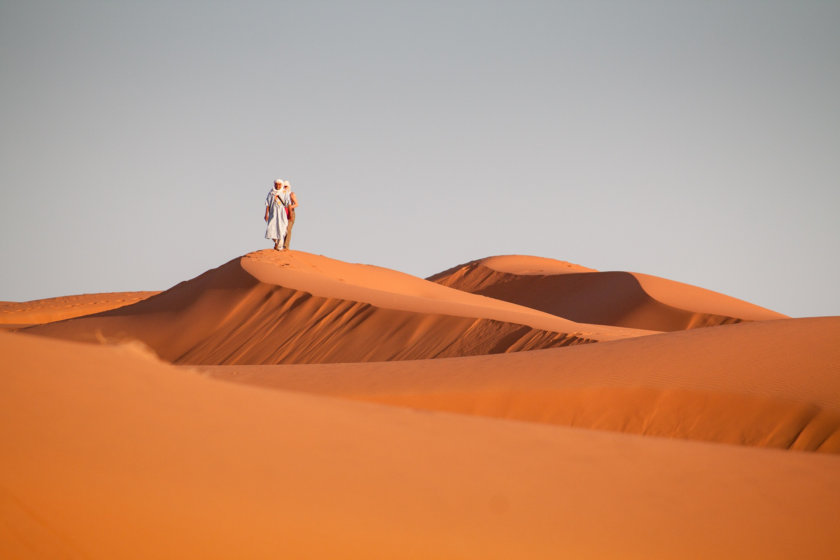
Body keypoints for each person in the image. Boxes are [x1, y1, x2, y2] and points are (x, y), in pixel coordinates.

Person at [264, 178, 290, 250]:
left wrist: (290, 213)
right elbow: (267, 204)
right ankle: (276, 242)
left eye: (279, 184)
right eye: (276, 184)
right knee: (271, 228)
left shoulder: (285, 192)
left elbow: (288, 204)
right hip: (273, 213)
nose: (278, 186)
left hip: (282, 213)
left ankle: (280, 245)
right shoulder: (271, 192)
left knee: (282, 228)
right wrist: (266, 214)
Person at [282, 180, 298, 250]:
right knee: (282, 229)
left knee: (288, 229)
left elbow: (296, 204)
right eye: (283, 186)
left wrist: (290, 207)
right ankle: (281, 245)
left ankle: (286, 246)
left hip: (290, 213)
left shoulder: (291, 194)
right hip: (283, 213)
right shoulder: (281, 194)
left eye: (286, 186)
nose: (285, 188)